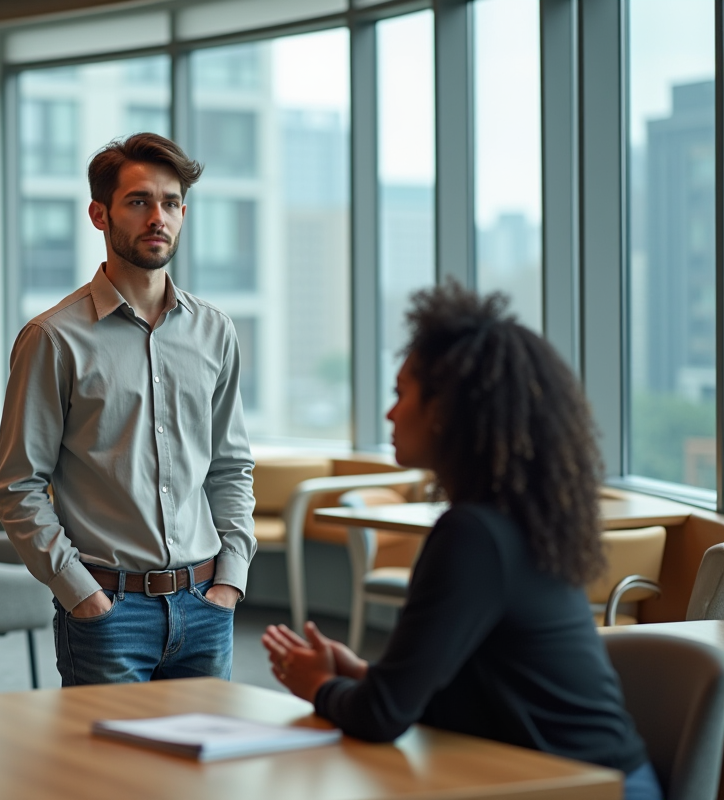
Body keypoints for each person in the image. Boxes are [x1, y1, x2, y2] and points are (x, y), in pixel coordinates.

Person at [262, 282, 662, 800]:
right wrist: (360, 674)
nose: (389, 414)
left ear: (444, 410)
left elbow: (382, 717)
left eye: (401, 394)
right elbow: (456, 691)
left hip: (591, 790)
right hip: (577, 780)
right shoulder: (512, 522)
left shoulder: (474, 534)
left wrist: (317, 685)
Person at [0, 132, 257, 685]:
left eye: (171, 202)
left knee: (207, 746)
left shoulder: (215, 332)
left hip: (207, 605)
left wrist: (230, 579)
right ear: (99, 214)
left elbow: (230, 467)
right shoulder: (53, 339)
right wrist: (81, 594)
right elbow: (18, 485)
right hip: (109, 613)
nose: (157, 217)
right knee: (108, 748)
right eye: (138, 201)